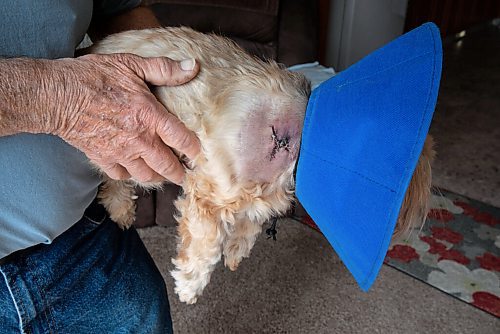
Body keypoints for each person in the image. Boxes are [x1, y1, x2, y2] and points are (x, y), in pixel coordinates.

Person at [0, 1, 199, 332]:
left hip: (87, 238)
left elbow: (119, 9)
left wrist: (188, 101)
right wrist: (61, 98)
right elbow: (65, 98)